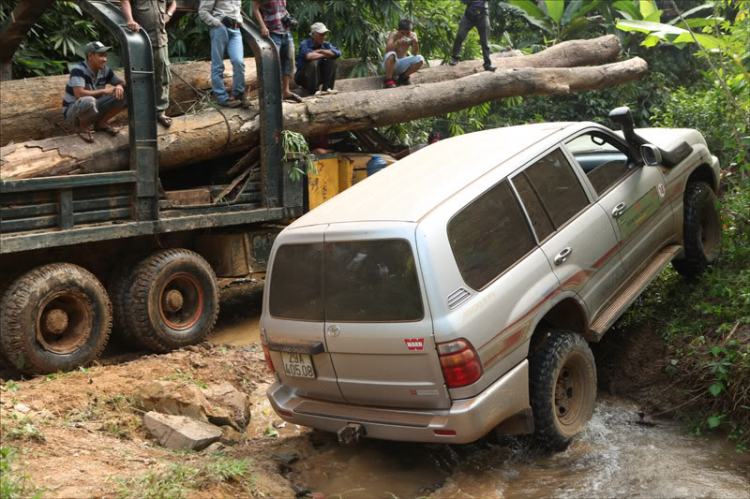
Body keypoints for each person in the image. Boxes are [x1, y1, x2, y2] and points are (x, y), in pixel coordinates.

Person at [121, 0, 177, 127]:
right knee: (139, 77)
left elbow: (173, 2)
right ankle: (140, 114)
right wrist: (130, 20)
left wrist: (169, 14)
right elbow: (125, 1)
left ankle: (160, 112)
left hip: (160, 40)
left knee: (162, 76)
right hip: (139, 40)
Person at [62, 41, 128, 143]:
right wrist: (104, 91)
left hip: (94, 108)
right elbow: (78, 94)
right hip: (73, 112)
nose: (105, 59)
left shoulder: (105, 70)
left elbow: (122, 83)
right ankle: (82, 128)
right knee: (89, 101)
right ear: (90, 56)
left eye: (105, 56)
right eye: (101, 56)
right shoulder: (78, 69)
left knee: (127, 94)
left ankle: (101, 123)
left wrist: (119, 86)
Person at [199, 0, 249, 108]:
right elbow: (203, 11)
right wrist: (217, 23)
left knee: (239, 62)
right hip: (220, 29)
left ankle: (239, 94)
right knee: (217, 65)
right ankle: (222, 98)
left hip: (236, 30)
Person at [253, 0, 303, 102]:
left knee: (288, 61)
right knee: (272, 64)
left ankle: (286, 91)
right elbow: (255, 9)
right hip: (272, 32)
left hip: (286, 31)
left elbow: (282, 8)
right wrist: (263, 26)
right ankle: (272, 93)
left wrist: (289, 18)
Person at [295, 22, 341, 96]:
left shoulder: (326, 44)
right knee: (313, 62)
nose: (324, 37)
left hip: (318, 78)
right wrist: (325, 55)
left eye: (325, 35)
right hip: (304, 79)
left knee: (332, 61)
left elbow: (338, 53)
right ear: (313, 34)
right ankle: (314, 91)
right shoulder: (304, 44)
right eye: (321, 34)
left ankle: (327, 89)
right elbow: (309, 56)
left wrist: (321, 51)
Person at [450, 0, 496, 72]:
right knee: (460, 35)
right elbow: (464, 1)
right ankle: (455, 57)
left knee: (485, 41)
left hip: (482, 15)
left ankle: (487, 64)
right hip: (469, 16)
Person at [382, 19, 425, 89]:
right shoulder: (394, 34)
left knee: (420, 59)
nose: (405, 36)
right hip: (389, 65)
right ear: (398, 31)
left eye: (407, 33)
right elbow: (387, 51)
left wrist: (416, 44)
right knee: (391, 54)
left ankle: (403, 78)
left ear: (411, 31)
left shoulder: (413, 36)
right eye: (402, 33)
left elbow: (415, 53)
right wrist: (396, 44)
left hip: (402, 65)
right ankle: (388, 80)